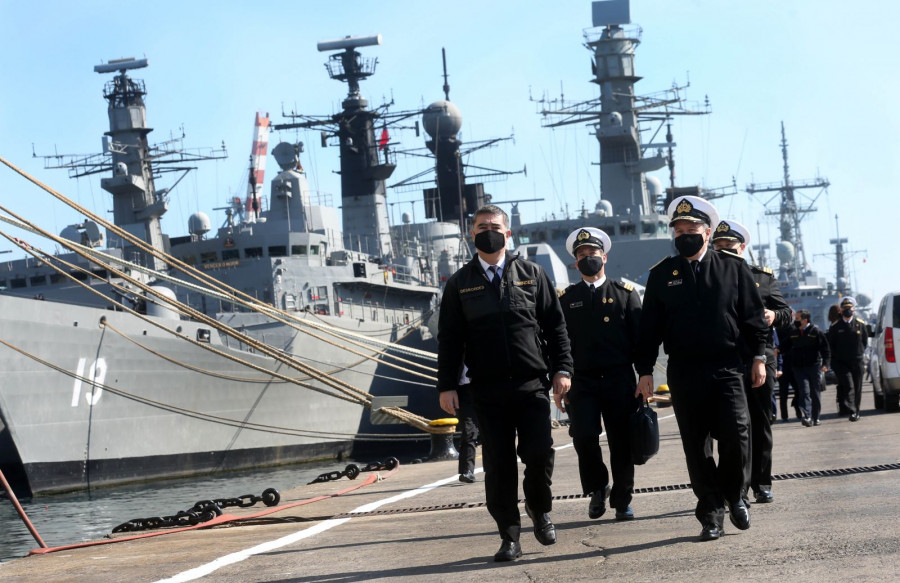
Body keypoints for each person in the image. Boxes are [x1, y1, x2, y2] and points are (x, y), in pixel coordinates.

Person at [436, 204, 574, 562]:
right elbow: (449, 339)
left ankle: (539, 509)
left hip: (530, 384)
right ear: (472, 234)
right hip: (486, 388)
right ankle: (509, 536)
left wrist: (562, 369)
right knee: (498, 466)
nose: (488, 231)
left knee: (540, 454)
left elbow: (555, 326)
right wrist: (446, 385)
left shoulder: (532, 274)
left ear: (507, 232)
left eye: (494, 226)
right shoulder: (460, 284)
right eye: (482, 227)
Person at [635, 195, 768, 542]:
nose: (685, 235)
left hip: (727, 367)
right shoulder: (662, 275)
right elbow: (649, 328)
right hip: (684, 371)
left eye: (691, 228)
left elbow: (753, 318)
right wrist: (645, 370)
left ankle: (735, 495)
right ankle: (711, 512)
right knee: (696, 446)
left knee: (738, 436)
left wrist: (759, 357)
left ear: (707, 232)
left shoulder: (733, 268)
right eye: (678, 230)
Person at [558, 227, 642, 521]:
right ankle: (596, 489)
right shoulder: (566, 299)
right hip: (581, 382)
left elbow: (639, 340)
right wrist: (560, 378)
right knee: (584, 438)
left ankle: (622, 499)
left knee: (621, 442)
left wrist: (644, 375)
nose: (587, 258)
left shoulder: (625, 295)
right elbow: (559, 342)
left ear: (603, 257)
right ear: (575, 262)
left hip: (619, 379)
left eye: (592, 253)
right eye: (581, 255)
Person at [711, 219, 791, 505]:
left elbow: (786, 312)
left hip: (760, 357)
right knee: (732, 427)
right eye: (718, 247)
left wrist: (772, 315)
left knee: (759, 421)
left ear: (742, 248)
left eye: (729, 248)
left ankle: (762, 482)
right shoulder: (710, 276)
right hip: (727, 358)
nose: (723, 253)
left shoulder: (762, 278)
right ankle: (737, 487)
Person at [782, 309, 830, 426]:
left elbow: (825, 349)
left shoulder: (816, 331)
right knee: (804, 391)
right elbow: (785, 345)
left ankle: (816, 417)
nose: (795, 321)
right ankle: (807, 416)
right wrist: (777, 350)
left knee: (815, 392)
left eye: (797, 319)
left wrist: (826, 364)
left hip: (814, 366)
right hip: (798, 367)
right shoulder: (793, 332)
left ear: (805, 320)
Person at [827, 297, 869, 422]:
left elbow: (864, 342)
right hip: (842, 363)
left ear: (853, 309)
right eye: (845, 308)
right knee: (849, 385)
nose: (847, 310)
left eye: (849, 308)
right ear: (841, 310)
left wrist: (859, 354)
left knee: (857, 387)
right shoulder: (835, 327)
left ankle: (856, 411)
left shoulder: (860, 324)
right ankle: (851, 409)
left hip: (857, 361)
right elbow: (831, 345)